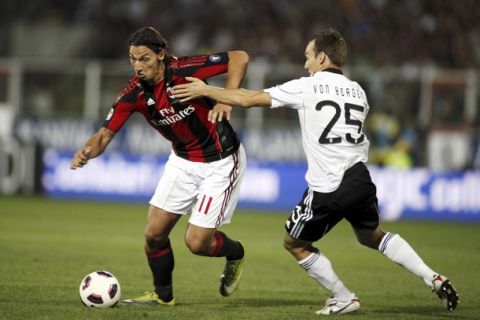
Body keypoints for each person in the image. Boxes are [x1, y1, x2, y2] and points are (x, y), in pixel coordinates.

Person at [172, 28, 459, 315]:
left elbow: (249, 98)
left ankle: (343, 296)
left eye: (308, 57)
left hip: (329, 184)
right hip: (359, 177)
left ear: (322, 57)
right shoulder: (359, 91)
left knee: (294, 242)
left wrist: (205, 90)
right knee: (373, 235)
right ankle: (432, 276)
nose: (306, 64)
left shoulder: (307, 86)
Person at [70, 26, 249, 305]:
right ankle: (163, 296)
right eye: (133, 59)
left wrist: (229, 97)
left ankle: (235, 253)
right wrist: (87, 150)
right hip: (182, 160)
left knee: (197, 243)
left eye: (144, 59)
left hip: (221, 160)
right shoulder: (133, 95)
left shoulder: (182, 70)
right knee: (154, 234)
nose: (137, 66)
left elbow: (239, 57)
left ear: (161, 55)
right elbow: (104, 135)